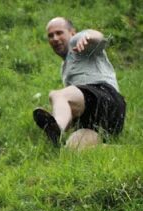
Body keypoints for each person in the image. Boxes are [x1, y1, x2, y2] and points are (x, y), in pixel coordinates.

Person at [33, 17, 126, 148]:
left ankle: (57, 128)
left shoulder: (78, 42)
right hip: (103, 119)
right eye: (50, 35)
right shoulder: (64, 67)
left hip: (105, 96)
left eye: (59, 32)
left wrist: (88, 36)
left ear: (72, 33)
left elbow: (98, 37)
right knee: (72, 150)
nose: (54, 38)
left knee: (57, 95)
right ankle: (118, 150)